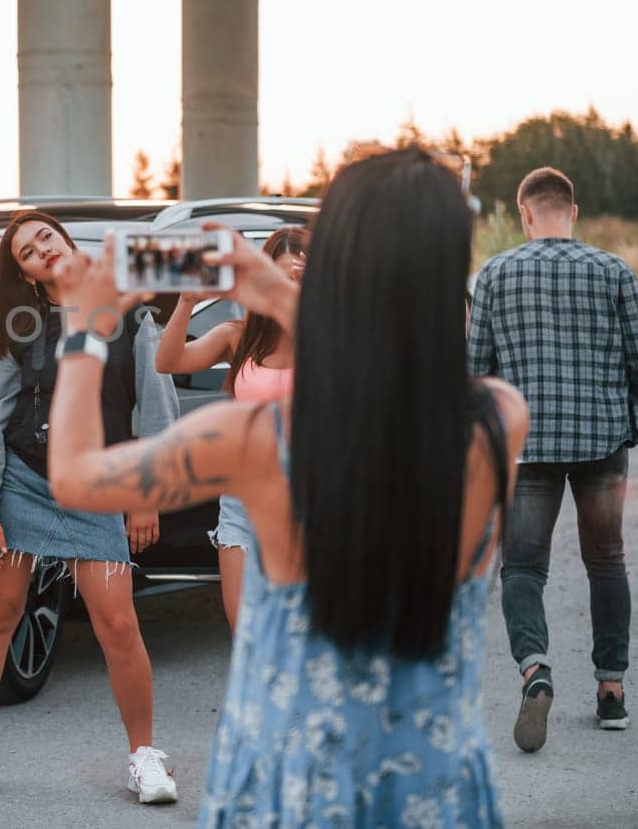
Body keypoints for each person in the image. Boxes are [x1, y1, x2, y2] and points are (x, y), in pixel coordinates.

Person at [45, 149, 530, 826]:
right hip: (434, 784)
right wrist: (273, 295)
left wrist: (87, 332)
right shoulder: (498, 419)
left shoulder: (254, 438)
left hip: (293, 783)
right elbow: (390, 366)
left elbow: (72, 474)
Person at [0, 211, 180, 805]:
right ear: (24, 273)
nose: (40, 249)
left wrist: (146, 494)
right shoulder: (23, 326)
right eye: (26, 250)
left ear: (67, 242)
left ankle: (145, 759)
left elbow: (156, 407)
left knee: (118, 624)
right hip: (22, 480)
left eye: (46, 236)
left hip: (98, 485)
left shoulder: (130, 312)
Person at [468, 165, 638, 752]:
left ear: (525, 212)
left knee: (524, 568)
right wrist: (620, 408)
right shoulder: (613, 271)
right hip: (603, 442)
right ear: (572, 212)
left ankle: (536, 671)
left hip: (527, 449)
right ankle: (611, 693)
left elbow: (475, 370)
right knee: (606, 561)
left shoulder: (496, 274)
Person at [154, 226, 308, 631]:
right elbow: (167, 362)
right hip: (242, 496)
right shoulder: (237, 337)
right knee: (244, 630)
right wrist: (186, 300)